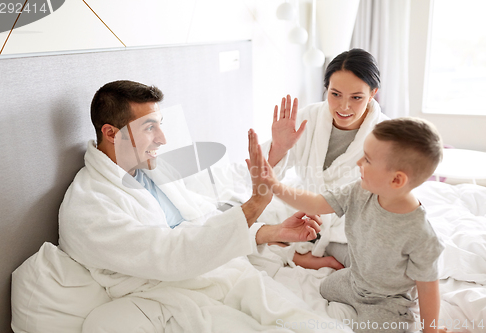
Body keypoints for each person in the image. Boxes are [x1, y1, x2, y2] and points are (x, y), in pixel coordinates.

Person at [58, 80, 349, 332]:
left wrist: (268, 232)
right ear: (111, 133)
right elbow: (169, 254)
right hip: (174, 292)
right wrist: (254, 205)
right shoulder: (89, 207)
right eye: (150, 128)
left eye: (160, 125)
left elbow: (203, 218)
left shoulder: (151, 171)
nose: (162, 138)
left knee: (309, 321)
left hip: (222, 270)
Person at [248, 118, 446, 333]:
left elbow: (428, 289)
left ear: (397, 180)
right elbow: (316, 202)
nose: (359, 162)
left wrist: (431, 331)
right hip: (354, 280)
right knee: (324, 288)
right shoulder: (359, 191)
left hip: (387, 301)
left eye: (368, 160)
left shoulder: (421, 235)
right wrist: (274, 186)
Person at [260, 48, 390, 271]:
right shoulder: (307, 118)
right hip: (305, 211)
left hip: (350, 223)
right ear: (326, 89)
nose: (343, 106)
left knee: (376, 268)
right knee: (241, 224)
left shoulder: (386, 134)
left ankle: (306, 254)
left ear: (372, 93)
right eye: (335, 94)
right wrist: (279, 148)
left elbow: (388, 196)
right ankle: (303, 257)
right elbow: (262, 178)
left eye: (356, 98)